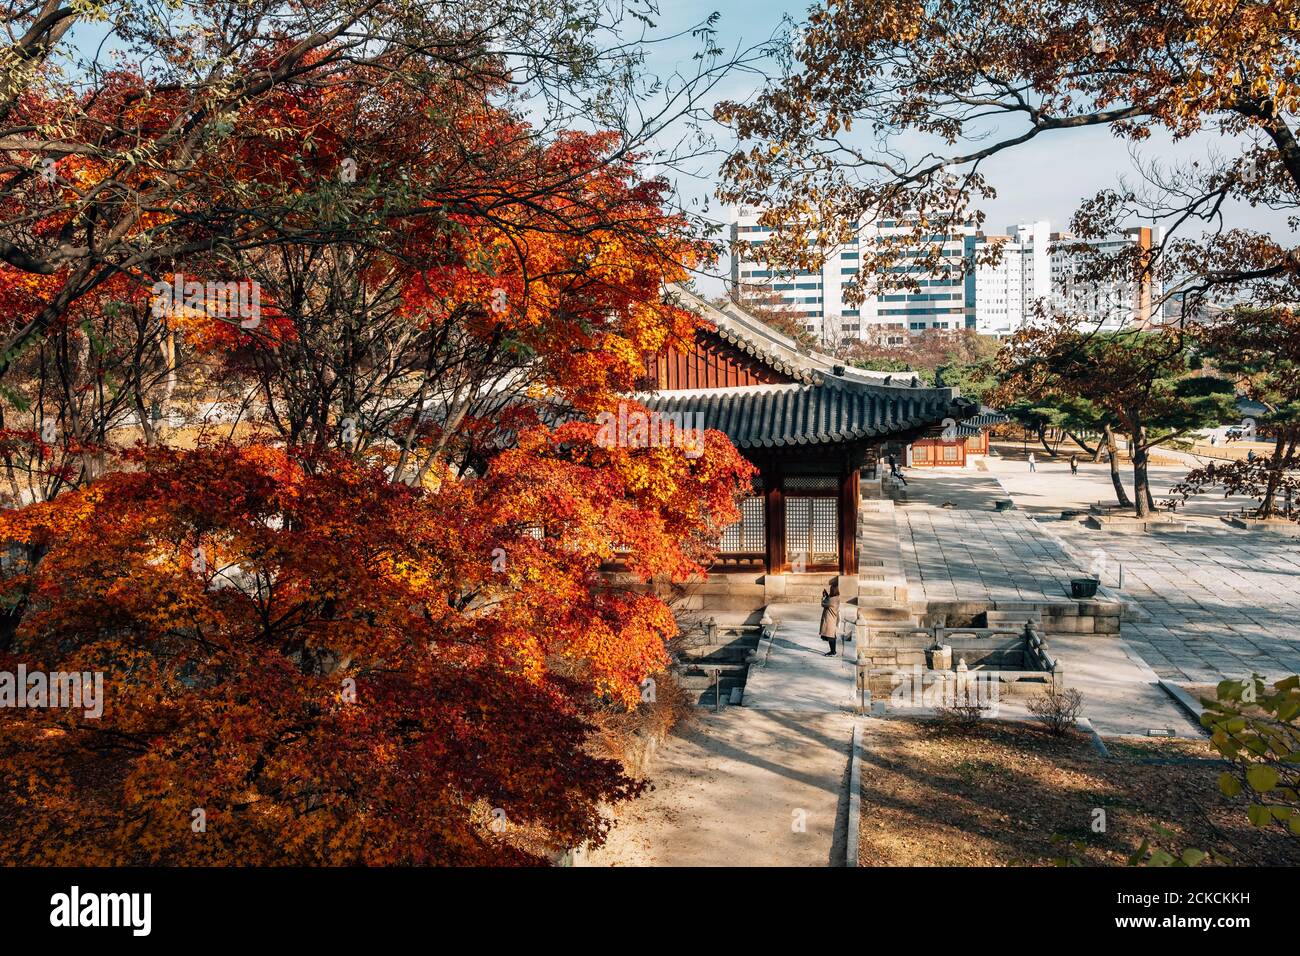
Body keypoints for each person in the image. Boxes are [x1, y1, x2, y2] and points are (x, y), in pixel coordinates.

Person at [819, 581, 841, 657]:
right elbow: (829, 601)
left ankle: (833, 652)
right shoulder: (837, 598)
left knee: (830, 637)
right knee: (832, 636)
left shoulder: (831, 600)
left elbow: (823, 604)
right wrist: (828, 595)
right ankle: (833, 651)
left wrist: (823, 597)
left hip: (829, 620)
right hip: (833, 619)